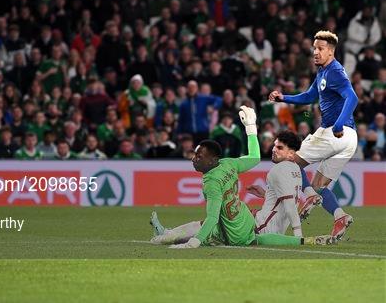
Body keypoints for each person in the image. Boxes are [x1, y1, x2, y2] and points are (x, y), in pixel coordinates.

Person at [149, 106, 335, 248]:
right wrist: (251, 128)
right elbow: (254, 157)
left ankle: (164, 236)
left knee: (205, 226)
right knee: (206, 225)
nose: (194, 159)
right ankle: (166, 233)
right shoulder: (228, 163)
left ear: (213, 160)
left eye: (199, 156)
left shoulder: (212, 182)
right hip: (244, 219)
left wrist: (193, 244)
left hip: (235, 231)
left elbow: (213, 218)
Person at [269, 30, 358, 240]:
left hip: (335, 132)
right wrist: (284, 98)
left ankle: (307, 197)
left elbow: (352, 98)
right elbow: (309, 96)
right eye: (314, 48)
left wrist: (337, 125)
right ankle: (340, 217)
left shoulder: (335, 71)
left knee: (290, 160)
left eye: (320, 49)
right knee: (319, 186)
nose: (315, 52)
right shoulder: (323, 73)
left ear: (331, 51)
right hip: (349, 140)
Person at [246, 130, 305, 236]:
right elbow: (285, 199)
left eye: (280, 148)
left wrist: (298, 235)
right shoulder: (296, 168)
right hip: (275, 229)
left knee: (230, 213)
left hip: (261, 228)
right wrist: (266, 194)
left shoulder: (279, 169)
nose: (274, 150)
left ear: (291, 154)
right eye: (275, 145)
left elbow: (289, 204)